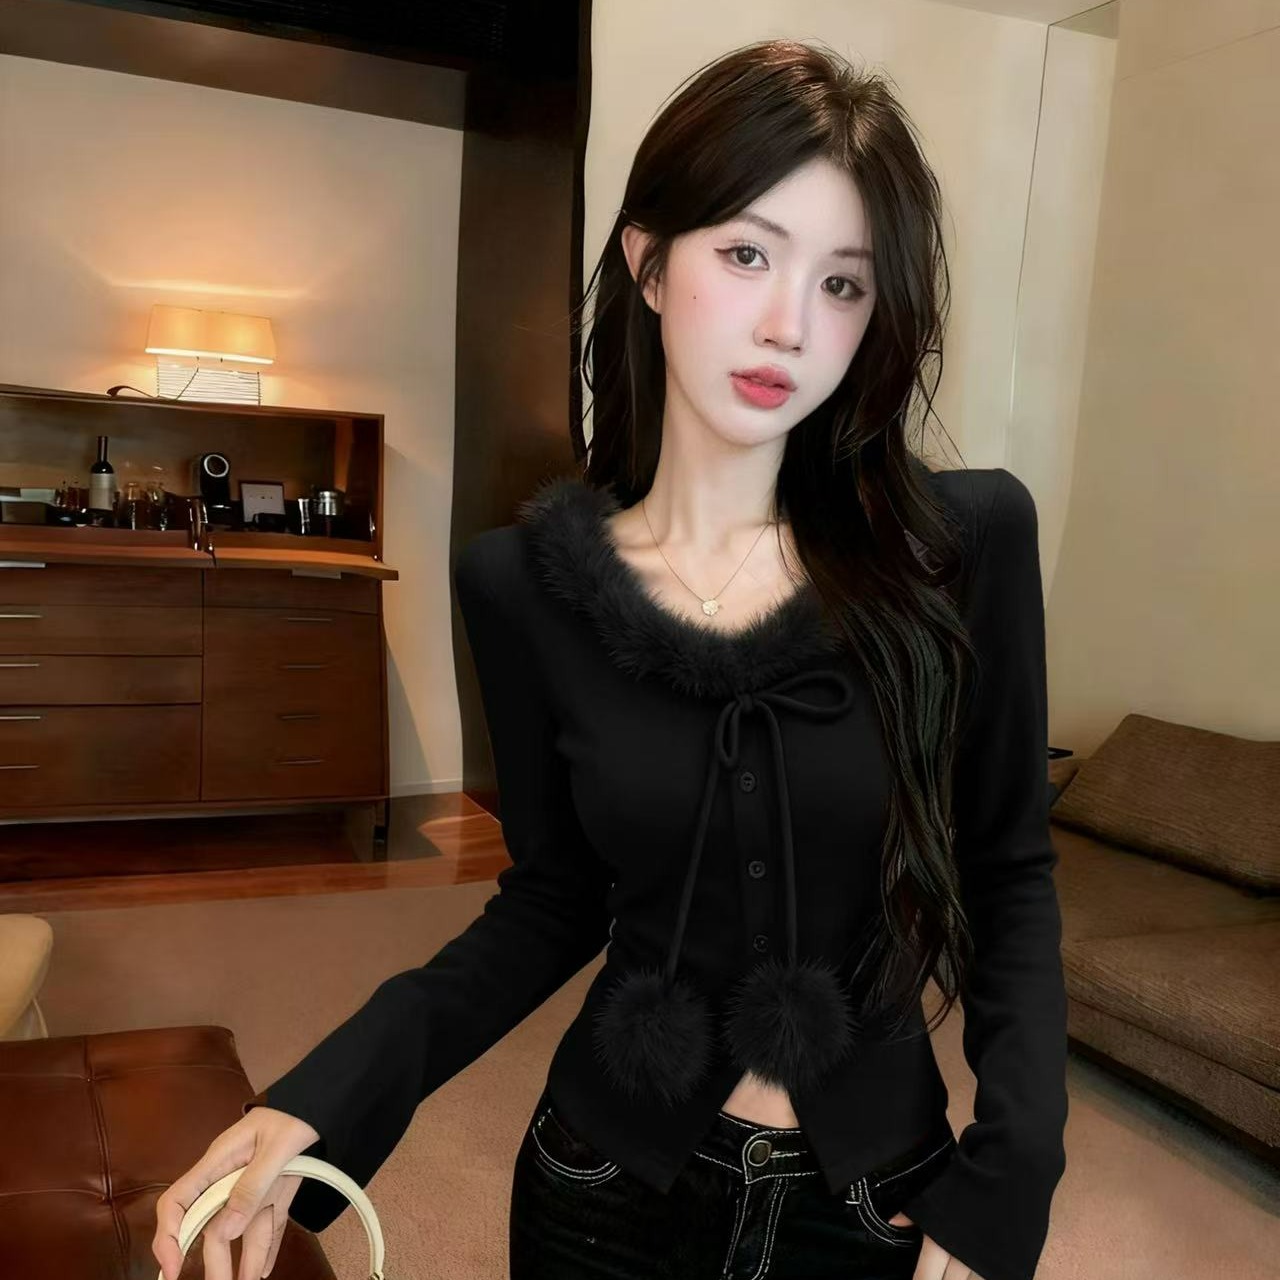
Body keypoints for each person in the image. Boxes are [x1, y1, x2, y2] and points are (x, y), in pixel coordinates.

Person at [152, 36, 1068, 1280]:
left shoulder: (958, 545)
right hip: (602, 1190)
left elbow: (1005, 868)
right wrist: (325, 1095)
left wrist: (1013, 1166)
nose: (789, 325)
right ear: (647, 260)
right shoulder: (519, 585)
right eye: (744, 254)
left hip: (880, 1202)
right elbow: (552, 898)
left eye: (842, 283)